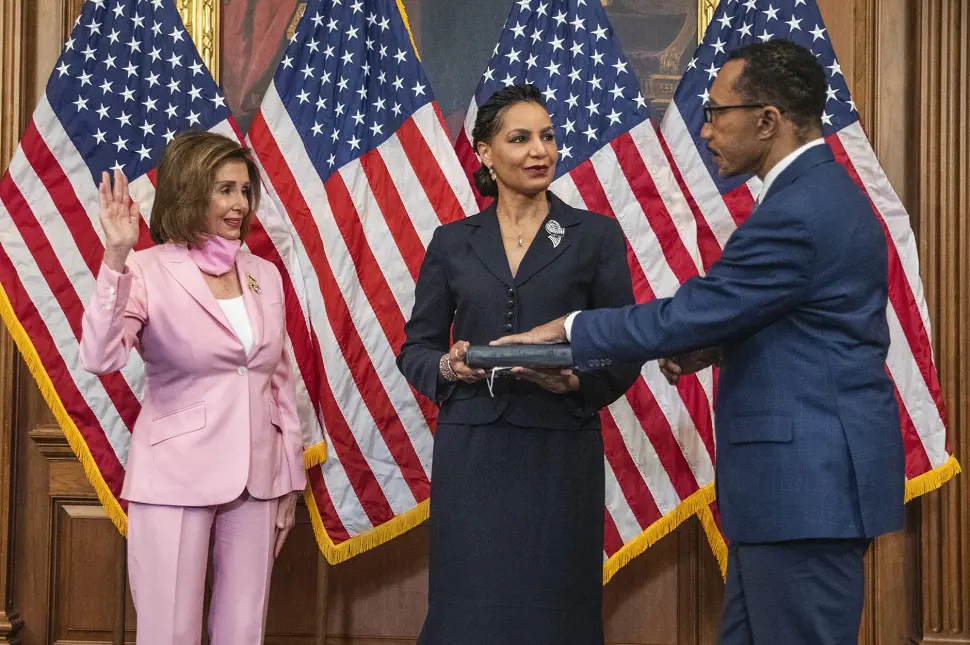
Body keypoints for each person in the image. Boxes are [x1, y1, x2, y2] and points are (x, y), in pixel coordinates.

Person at [495, 42, 905, 645]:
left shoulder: (802, 210)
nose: (705, 128)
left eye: (716, 112)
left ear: (767, 121)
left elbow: (698, 311)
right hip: (791, 495)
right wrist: (716, 345)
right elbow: (792, 320)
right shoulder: (815, 195)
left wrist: (574, 328)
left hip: (804, 493)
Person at [396, 84, 640, 645]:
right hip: (473, 454)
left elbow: (624, 343)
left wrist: (577, 379)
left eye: (548, 137)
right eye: (521, 138)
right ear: (484, 152)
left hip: (560, 447)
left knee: (555, 609)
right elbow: (418, 348)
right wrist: (451, 370)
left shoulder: (594, 236)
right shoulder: (453, 241)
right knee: (470, 611)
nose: (540, 151)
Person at [79, 131, 306, 645]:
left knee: (243, 632)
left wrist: (289, 476)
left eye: (245, 191)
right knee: (169, 635)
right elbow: (100, 356)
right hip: (174, 478)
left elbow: (277, 381)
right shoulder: (145, 268)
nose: (239, 205)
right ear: (188, 192)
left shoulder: (264, 274)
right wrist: (116, 255)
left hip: (257, 480)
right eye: (224, 190)